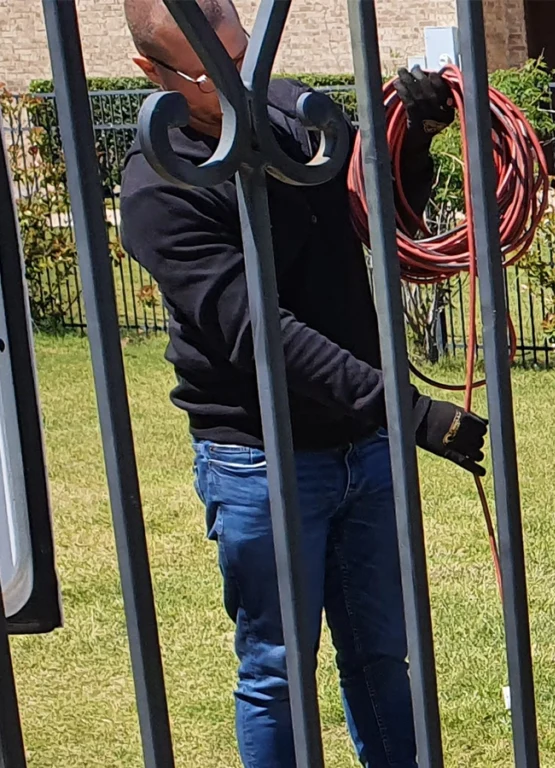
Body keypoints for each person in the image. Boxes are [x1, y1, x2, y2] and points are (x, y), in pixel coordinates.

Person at [118, 1, 487, 766]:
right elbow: (263, 335)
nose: (240, 84)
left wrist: (415, 138)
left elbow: (383, 214)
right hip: (260, 462)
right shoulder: (159, 188)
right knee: (278, 671)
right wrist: (408, 412)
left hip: (363, 447)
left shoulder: (296, 118)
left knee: (382, 658)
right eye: (211, 75)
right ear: (151, 73)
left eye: (242, 56)